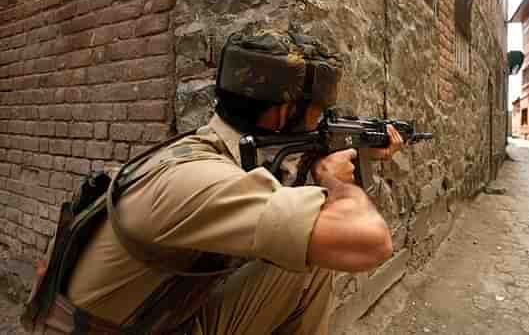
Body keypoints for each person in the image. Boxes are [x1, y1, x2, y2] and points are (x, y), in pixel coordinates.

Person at [61, 29, 404, 335]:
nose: (324, 120)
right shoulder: (194, 182)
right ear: (284, 113)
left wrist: (360, 152)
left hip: (154, 316)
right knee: (308, 262)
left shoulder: (208, 147)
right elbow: (371, 243)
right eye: (320, 109)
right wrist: (337, 183)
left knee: (293, 255)